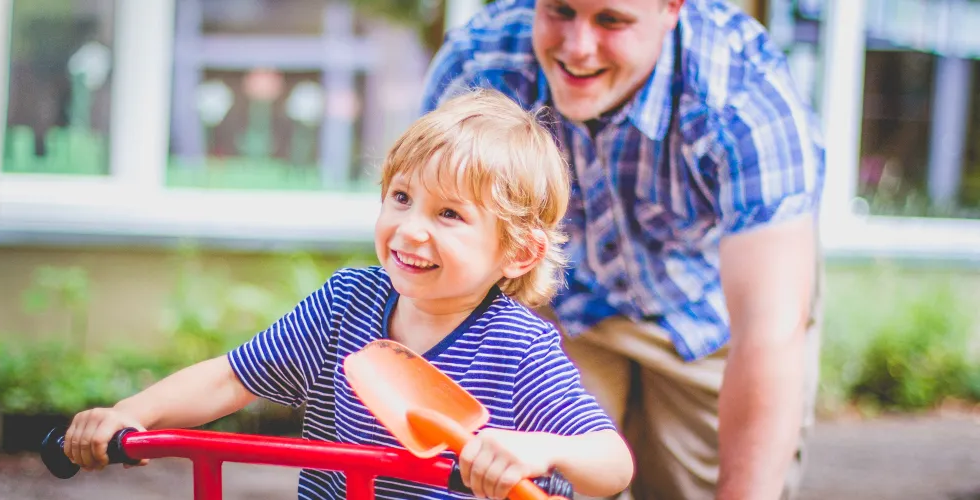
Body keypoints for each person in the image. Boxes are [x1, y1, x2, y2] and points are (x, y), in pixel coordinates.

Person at [62, 89, 634, 500]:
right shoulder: (348, 303)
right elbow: (230, 378)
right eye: (402, 197)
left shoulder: (519, 346)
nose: (410, 228)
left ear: (519, 254)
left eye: (450, 214)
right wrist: (129, 413)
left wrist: (543, 450)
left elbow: (613, 465)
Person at [422, 0, 825, 499]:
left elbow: (769, 333)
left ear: (672, 8)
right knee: (523, 479)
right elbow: (433, 255)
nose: (577, 48)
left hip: (706, 313)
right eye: (560, 11)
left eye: (611, 20)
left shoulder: (745, 96)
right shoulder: (478, 66)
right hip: (549, 301)